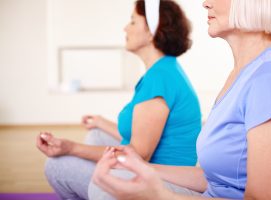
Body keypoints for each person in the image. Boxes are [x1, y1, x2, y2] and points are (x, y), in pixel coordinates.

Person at [91, 0, 271, 199]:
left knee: (109, 188)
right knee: (117, 176)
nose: (206, 3)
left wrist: (162, 197)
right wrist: (141, 167)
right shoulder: (241, 75)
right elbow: (215, 180)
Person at [36, 0, 202, 199]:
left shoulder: (158, 80)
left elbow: (137, 156)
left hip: (165, 179)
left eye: (132, 22)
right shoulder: (164, 69)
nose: (125, 28)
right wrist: (100, 122)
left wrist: (70, 148)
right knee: (97, 135)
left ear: (151, 32)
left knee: (57, 166)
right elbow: (138, 131)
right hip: (150, 164)